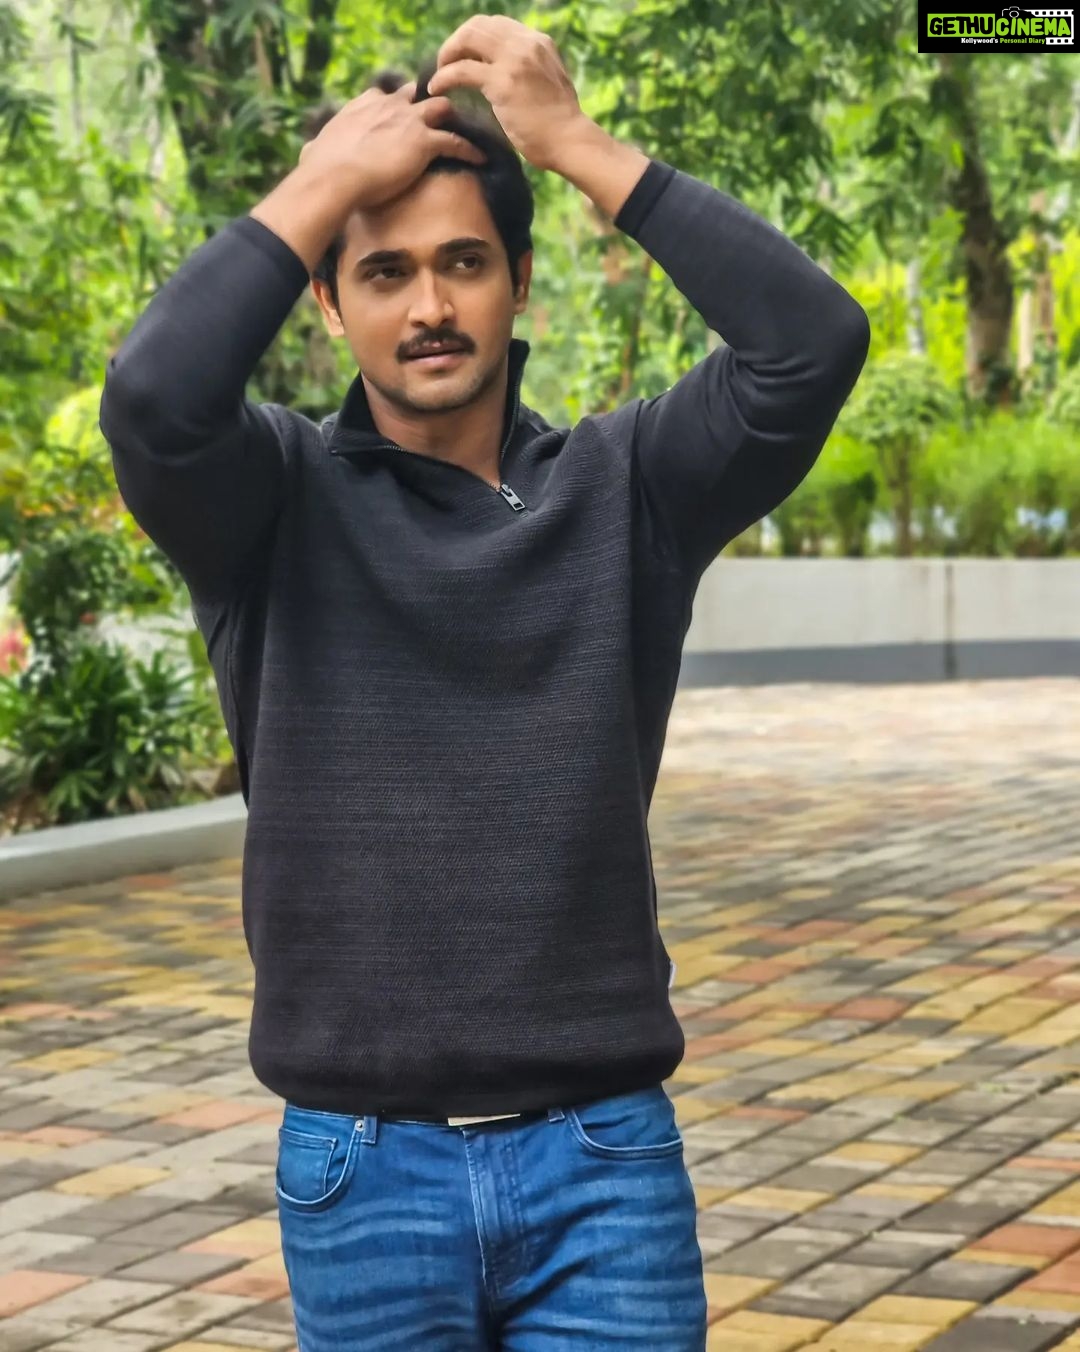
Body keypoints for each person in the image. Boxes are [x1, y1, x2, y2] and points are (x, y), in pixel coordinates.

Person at [98, 14, 870, 1350]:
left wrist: (574, 145)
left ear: (520, 282)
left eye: (464, 263)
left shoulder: (630, 488)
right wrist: (324, 179)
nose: (430, 309)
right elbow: (155, 401)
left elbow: (811, 344)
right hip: (360, 1168)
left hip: (603, 1165)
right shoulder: (264, 502)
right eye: (382, 272)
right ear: (327, 302)